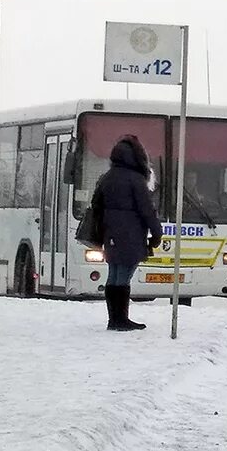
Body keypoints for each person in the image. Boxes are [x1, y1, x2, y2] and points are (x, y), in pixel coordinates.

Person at [95, 135, 163, 331]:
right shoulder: (135, 180)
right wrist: (156, 233)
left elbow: (96, 206)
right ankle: (121, 319)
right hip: (131, 236)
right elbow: (146, 210)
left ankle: (113, 319)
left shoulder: (107, 177)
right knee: (123, 276)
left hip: (111, 234)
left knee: (114, 274)